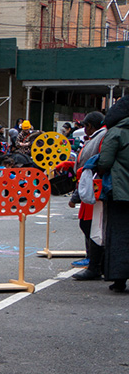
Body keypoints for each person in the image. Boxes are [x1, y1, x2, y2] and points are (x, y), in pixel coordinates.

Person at [94, 96, 129, 293]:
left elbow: (105, 162)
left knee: (118, 235)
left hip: (120, 193)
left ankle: (119, 278)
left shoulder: (116, 133)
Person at [71, 111, 107, 282]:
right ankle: (97, 263)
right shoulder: (98, 137)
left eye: (86, 125)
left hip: (95, 189)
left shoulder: (101, 137)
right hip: (91, 188)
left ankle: (96, 265)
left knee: (92, 227)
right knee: (90, 227)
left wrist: (77, 195)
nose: (84, 129)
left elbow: (95, 164)